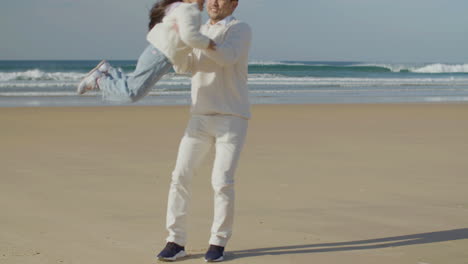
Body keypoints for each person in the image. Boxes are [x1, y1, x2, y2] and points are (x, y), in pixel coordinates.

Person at [156, 0, 252, 262]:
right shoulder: (197, 30)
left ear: (233, 3)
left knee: (221, 181)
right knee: (180, 176)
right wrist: (176, 45)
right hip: (199, 116)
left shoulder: (240, 28)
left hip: (231, 117)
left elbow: (226, 57)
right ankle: (175, 240)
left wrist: (197, 40)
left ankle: (217, 243)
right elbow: (184, 67)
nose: (214, 2)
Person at [76, 0, 216, 102]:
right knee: (132, 93)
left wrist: (182, 63)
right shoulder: (188, 10)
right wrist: (208, 43)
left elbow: (182, 41)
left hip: (159, 54)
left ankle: (108, 71)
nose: (204, 1)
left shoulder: (180, 9)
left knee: (133, 87)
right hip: (160, 55)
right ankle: (98, 80)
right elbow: (189, 36)